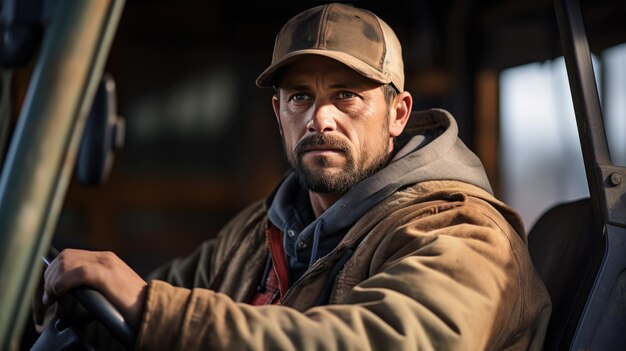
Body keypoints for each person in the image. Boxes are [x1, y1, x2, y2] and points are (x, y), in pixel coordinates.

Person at [40, 3, 551, 350]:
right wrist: (89, 306)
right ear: (278, 113)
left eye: (346, 95)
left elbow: (372, 341)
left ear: (398, 114)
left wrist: (155, 310)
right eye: (301, 97)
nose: (319, 119)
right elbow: (148, 300)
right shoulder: (256, 233)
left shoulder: (465, 236)